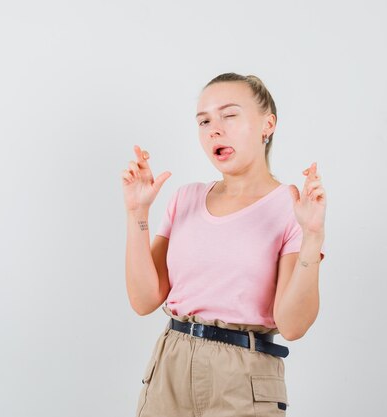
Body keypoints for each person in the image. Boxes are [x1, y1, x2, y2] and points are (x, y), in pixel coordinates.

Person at [122, 72, 327, 417]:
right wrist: (137, 212)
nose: (214, 129)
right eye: (204, 121)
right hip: (170, 367)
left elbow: (292, 325)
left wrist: (313, 239)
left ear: (268, 124)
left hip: (244, 377)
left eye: (229, 115)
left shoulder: (292, 209)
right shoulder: (184, 199)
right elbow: (143, 300)